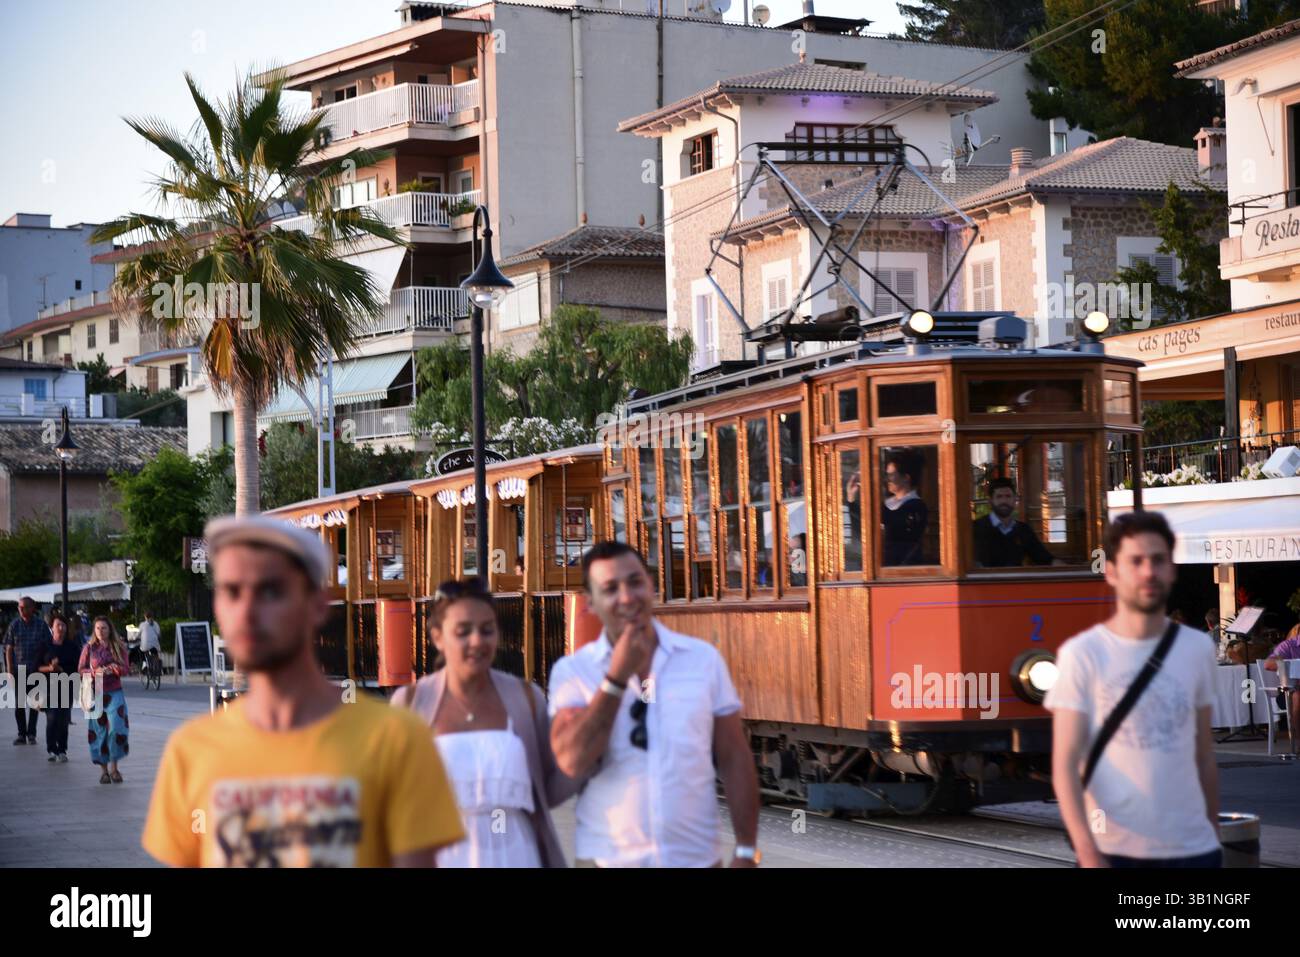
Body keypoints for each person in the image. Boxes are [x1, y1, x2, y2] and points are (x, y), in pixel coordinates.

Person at [142, 515, 464, 867]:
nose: (247, 611)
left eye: (271, 591)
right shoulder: (191, 750)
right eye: (231, 591)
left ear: (316, 603)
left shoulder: (397, 741)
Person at [548, 541, 760, 867]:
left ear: (651, 584)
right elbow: (571, 761)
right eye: (610, 588)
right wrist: (616, 679)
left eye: (635, 582)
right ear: (590, 602)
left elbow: (734, 756)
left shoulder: (702, 660)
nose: (627, 597)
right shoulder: (574, 672)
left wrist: (747, 850)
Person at [1047, 511, 1221, 868]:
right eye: (1135, 561)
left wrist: (1213, 836)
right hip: (1115, 850)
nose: (1148, 571)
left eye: (1158, 560)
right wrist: (1087, 851)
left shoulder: (1198, 649)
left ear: (1172, 569)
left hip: (1193, 851)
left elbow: (1204, 755)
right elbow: (1065, 764)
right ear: (1111, 571)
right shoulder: (1081, 655)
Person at [392, 578, 576, 867]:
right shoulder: (410, 702)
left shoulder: (527, 698)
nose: (477, 641)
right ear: (438, 637)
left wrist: (586, 750)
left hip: (515, 854)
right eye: (463, 632)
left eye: (487, 630)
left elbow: (549, 789)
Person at [78, 616, 130, 783]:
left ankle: (115, 768)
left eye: (104, 628)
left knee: (117, 728)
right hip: (96, 691)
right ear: (94, 630)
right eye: (98, 628)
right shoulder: (89, 648)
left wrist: (114, 669)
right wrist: (95, 672)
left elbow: (126, 668)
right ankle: (104, 771)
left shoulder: (118, 647)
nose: (100, 631)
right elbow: (80, 669)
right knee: (99, 731)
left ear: (110, 630)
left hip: (115, 691)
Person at [971, 477, 1061, 567]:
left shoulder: (1023, 530)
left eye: (1008, 496)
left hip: (1015, 580)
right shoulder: (976, 528)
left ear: (1015, 500)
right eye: (999, 497)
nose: (1004, 501)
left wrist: (1066, 571)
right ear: (990, 501)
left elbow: (1045, 559)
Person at [32, 611, 80, 762]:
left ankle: (62, 750)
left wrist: (62, 669)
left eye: (63, 625)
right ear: (52, 627)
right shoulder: (45, 645)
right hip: (48, 688)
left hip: (66, 686)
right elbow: (36, 667)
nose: (61, 627)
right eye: (57, 624)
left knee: (63, 720)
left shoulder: (72, 646)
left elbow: (78, 668)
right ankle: (51, 749)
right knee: (52, 719)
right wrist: (50, 669)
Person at [5, 596, 52, 745]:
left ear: (32, 608)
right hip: (19, 669)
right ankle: (21, 734)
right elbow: (8, 648)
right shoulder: (14, 625)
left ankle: (31, 733)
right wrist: (9, 670)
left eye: (24, 607)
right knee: (19, 704)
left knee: (34, 704)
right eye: (19, 607)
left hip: (36, 669)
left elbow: (48, 646)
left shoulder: (41, 625)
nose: (20, 609)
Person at [880, 449, 929, 566]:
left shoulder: (916, 506)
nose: (887, 479)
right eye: (887, 475)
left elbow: (892, 520)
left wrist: (874, 495)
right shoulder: (887, 503)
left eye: (891, 475)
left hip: (903, 567)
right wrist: (852, 500)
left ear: (906, 477)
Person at [1264, 623, 1300, 742]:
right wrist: (1291, 665)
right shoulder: (1289, 645)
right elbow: (1268, 664)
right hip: (1289, 692)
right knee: (1298, 696)